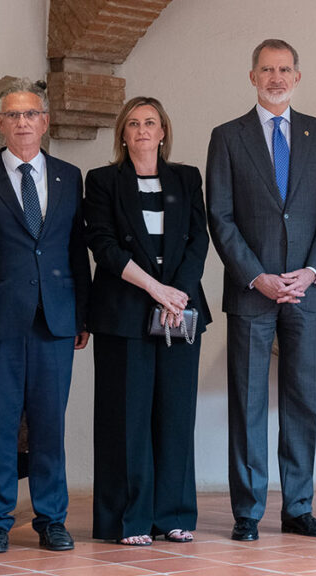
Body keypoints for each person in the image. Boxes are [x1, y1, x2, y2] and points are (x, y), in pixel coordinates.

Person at [206, 38, 316, 541]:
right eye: (267, 69)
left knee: (302, 400)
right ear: (252, 76)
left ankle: (299, 507)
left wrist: (311, 272)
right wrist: (256, 275)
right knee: (247, 403)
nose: (276, 78)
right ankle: (248, 512)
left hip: (305, 290)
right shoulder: (227, 137)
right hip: (251, 290)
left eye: (285, 69)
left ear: (298, 77)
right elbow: (219, 217)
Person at [0, 80, 91, 554]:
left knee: (50, 424)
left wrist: (81, 315)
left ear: (45, 122)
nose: (23, 123)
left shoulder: (69, 176)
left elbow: (75, 252)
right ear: (0, 124)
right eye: (14, 115)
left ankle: (51, 519)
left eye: (31, 115)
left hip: (55, 320)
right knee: (1, 425)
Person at [83, 96, 212, 546]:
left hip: (180, 309)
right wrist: (156, 290)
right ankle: (128, 520)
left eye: (150, 122)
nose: (142, 129)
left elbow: (199, 239)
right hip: (124, 312)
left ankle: (172, 515)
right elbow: (103, 244)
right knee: (126, 417)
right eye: (134, 123)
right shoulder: (101, 181)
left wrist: (177, 293)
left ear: (162, 133)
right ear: (123, 133)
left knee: (176, 415)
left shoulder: (186, 178)